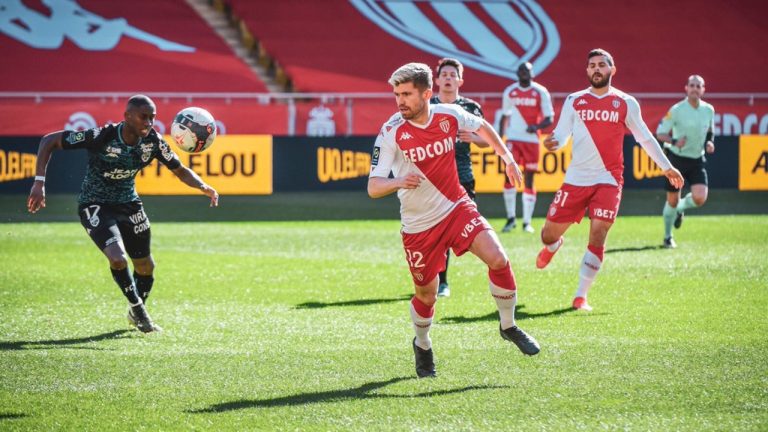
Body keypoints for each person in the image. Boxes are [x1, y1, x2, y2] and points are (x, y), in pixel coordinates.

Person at [368, 62, 540, 378]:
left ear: (427, 94)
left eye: (406, 94)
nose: (400, 101)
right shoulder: (391, 131)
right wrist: (397, 182)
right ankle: (422, 344)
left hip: (456, 207)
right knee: (427, 295)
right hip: (419, 226)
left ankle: (509, 325)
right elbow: (373, 186)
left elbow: (484, 127)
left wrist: (508, 159)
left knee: (499, 259)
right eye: (397, 94)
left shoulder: (448, 114)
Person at [27, 95, 219, 333]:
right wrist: (39, 182)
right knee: (118, 258)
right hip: (94, 203)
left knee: (146, 267)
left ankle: (134, 310)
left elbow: (180, 170)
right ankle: (139, 310)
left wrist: (203, 186)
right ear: (127, 116)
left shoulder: (153, 142)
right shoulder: (102, 136)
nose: (149, 122)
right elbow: (50, 140)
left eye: (153, 118)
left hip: (129, 204)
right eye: (143, 116)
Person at [536, 49, 683, 311]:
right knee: (547, 236)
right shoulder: (574, 100)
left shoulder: (626, 102)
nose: (596, 69)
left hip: (609, 179)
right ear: (587, 71)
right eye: (592, 65)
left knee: (599, 231)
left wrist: (667, 167)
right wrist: (553, 144)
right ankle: (555, 244)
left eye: (602, 65)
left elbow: (645, 138)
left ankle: (581, 296)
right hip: (576, 180)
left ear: (612, 70)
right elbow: (560, 135)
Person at [429, 57, 488, 298]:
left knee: (464, 228)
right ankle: (441, 281)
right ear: (436, 80)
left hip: (463, 175)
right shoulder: (427, 105)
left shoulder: (471, 108)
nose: (448, 78)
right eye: (444, 74)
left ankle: (494, 263)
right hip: (433, 177)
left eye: (453, 75)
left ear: (460, 80)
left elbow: (488, 140)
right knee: (436, 230)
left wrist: (473, 138)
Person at [656, 75, 715, 248]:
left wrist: (711, 142)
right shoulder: (676, 110)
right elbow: (660, 134)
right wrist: (674, 141)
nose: (695, 88)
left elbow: (710, 130)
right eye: (692, 85)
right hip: (677, 160)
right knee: (672, 201)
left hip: (697, 159)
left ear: (703, 89)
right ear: (686, 88)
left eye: (698, 86)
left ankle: (680, 209)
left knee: (700, 198)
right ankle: (668, 237)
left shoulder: (709, 110)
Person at [499, 62, 554, 234]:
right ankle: (510, 219)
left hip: (531, 140)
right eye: (521, 70)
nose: (523, 73)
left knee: (529, 179)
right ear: (517, 73)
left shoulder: (540, 92)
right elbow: (504, 116)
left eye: (526, 70)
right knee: (509, 176)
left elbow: (549, 118)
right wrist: (500, 140)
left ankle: (527, 222)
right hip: (513, 139)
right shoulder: (510, 91)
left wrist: (536, 127)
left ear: (532, 73)